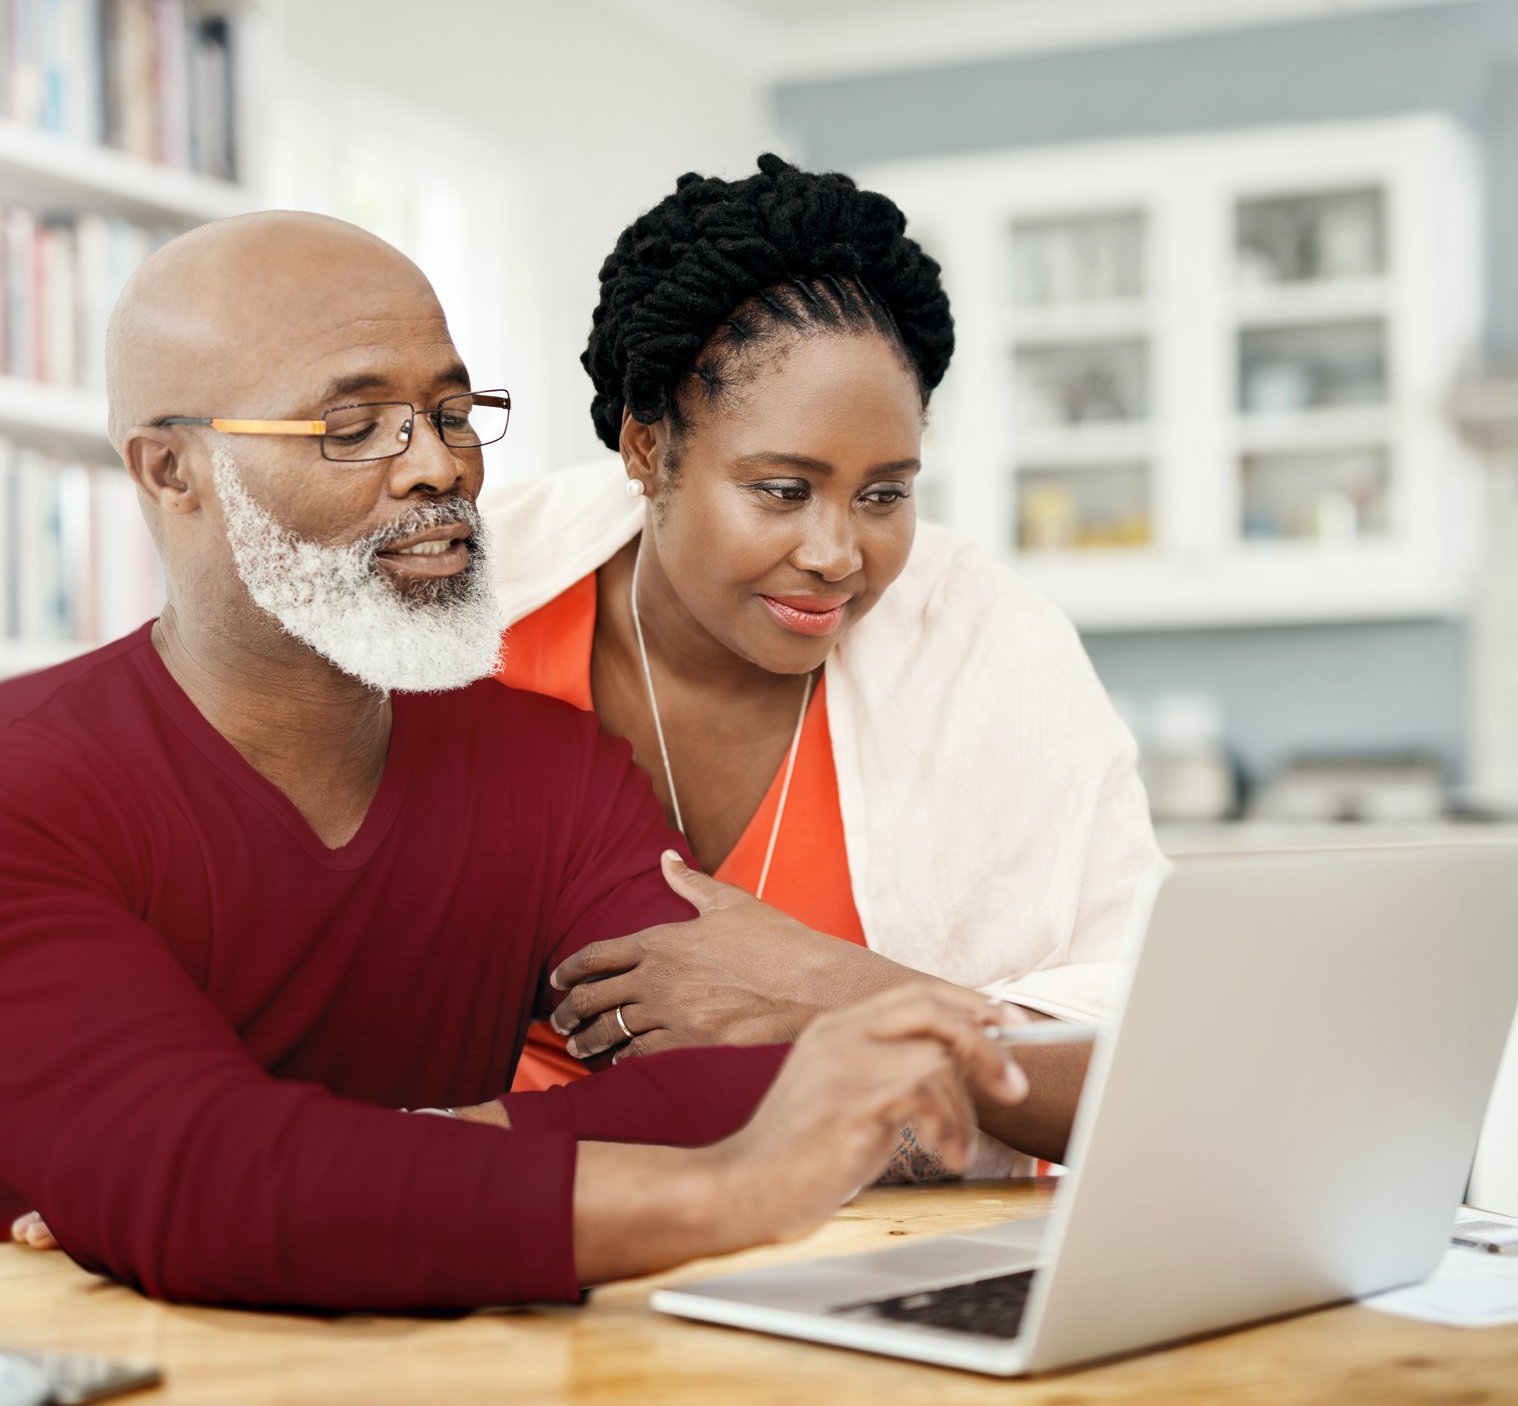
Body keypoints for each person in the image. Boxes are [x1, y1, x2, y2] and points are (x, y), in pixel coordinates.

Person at [0, 209, 1032, 1311]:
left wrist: (352, 1164)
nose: (438, 468)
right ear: (171, 471)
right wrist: (723, 1193)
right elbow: (192, 1179)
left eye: (454, 415)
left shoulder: (548, 768)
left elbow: (734, 1076)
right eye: (353, 427)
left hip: (434, 1357)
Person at [488, 156, 1165, 1173]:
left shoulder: (984, 647)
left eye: (884, 494)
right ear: (644, 448)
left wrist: (834, 988)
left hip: (857, 1240)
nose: (837, 552)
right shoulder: (466, 604)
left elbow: (1156, 1072)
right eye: (778, 489)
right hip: (501, 1214)